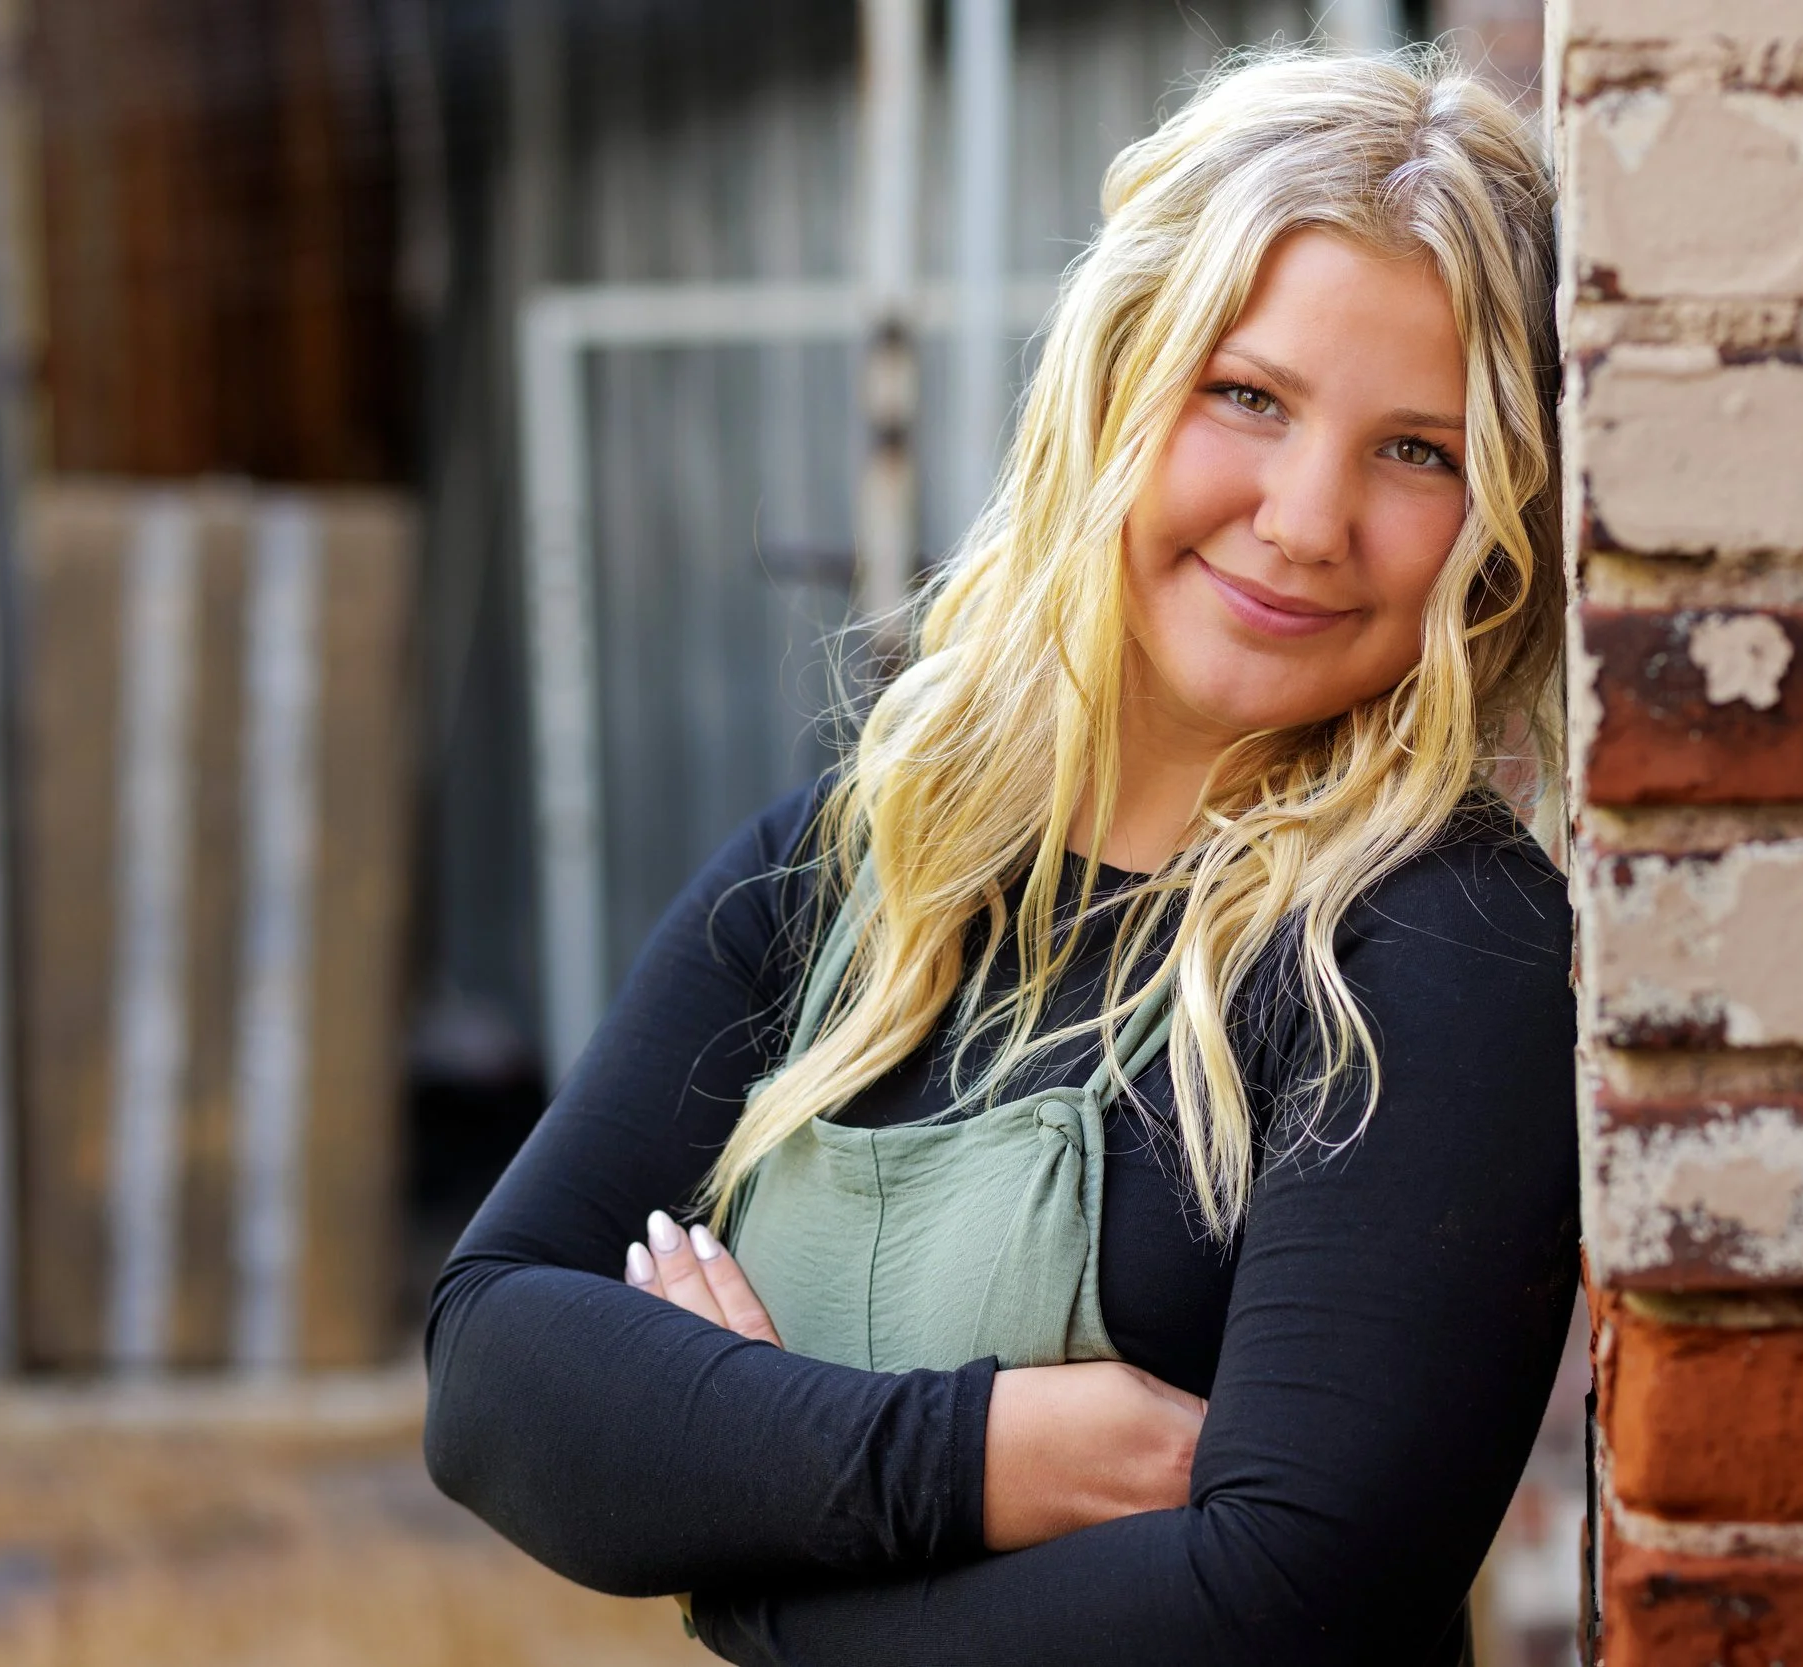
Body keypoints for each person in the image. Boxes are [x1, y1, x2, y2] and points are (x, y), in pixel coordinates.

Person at [424, 45, 1575, 1666]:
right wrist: (982, 1457)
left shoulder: (1445, 950)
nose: (1310, 518)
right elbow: (495, 1370)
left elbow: (1274, 1603)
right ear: (1112, 384)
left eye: (1420, 452)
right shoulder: (855, 863)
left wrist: (747, 1531)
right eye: (1247, 396)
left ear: (1501, 522)